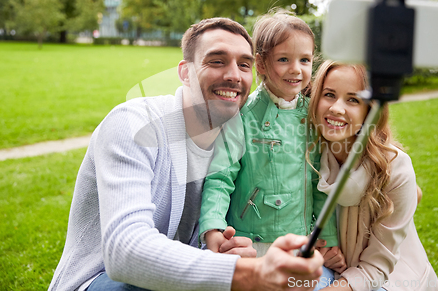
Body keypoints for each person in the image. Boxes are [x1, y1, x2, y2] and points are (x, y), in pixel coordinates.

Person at [48, 17, 325, 291]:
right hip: (100, 281)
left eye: (243, 65)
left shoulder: (237, 136)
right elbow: (125, 252)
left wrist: (227, 250)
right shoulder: (133, 123)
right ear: (184, 72)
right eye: (216, 61)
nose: (233, 75)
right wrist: (248, 272)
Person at [199, 11, 344, 291]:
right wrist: (213, 228)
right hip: (250, 244)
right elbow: (220, 178)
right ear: (262, 64)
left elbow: (319, 183)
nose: (296, 69)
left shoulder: (313, 117)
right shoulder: (242, 117)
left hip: (297, 241)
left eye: (304, 60)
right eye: (283, 60)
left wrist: (327, 240)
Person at [306, 60, 438, 291]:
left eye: (353, 99)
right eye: (329, 94)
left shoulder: (396, 168)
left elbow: (377, 267)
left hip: (390, 278)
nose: (337, 108)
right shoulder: (313, 155)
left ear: (370, 110)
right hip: (337, 268)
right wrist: (319, 250)